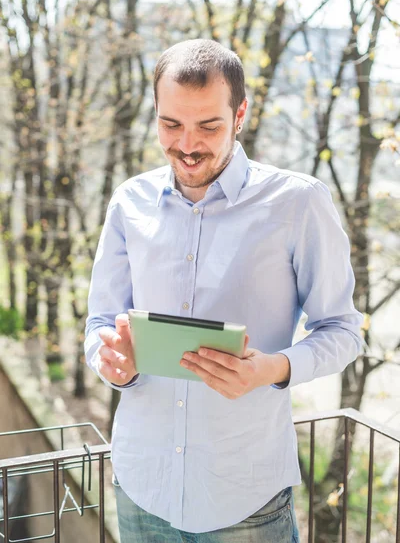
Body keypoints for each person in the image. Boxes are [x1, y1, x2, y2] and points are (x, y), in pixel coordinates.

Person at [84, 39, 363, 543]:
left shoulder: (298, 203)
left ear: (240, 115)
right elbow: (100, 323)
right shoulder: (129, 202)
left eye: (208, 126)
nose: (187, 144)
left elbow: (343, 331)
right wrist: (112, 362)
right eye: (171, 124)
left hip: (245, 498)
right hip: (141, 488)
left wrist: (271, 370)